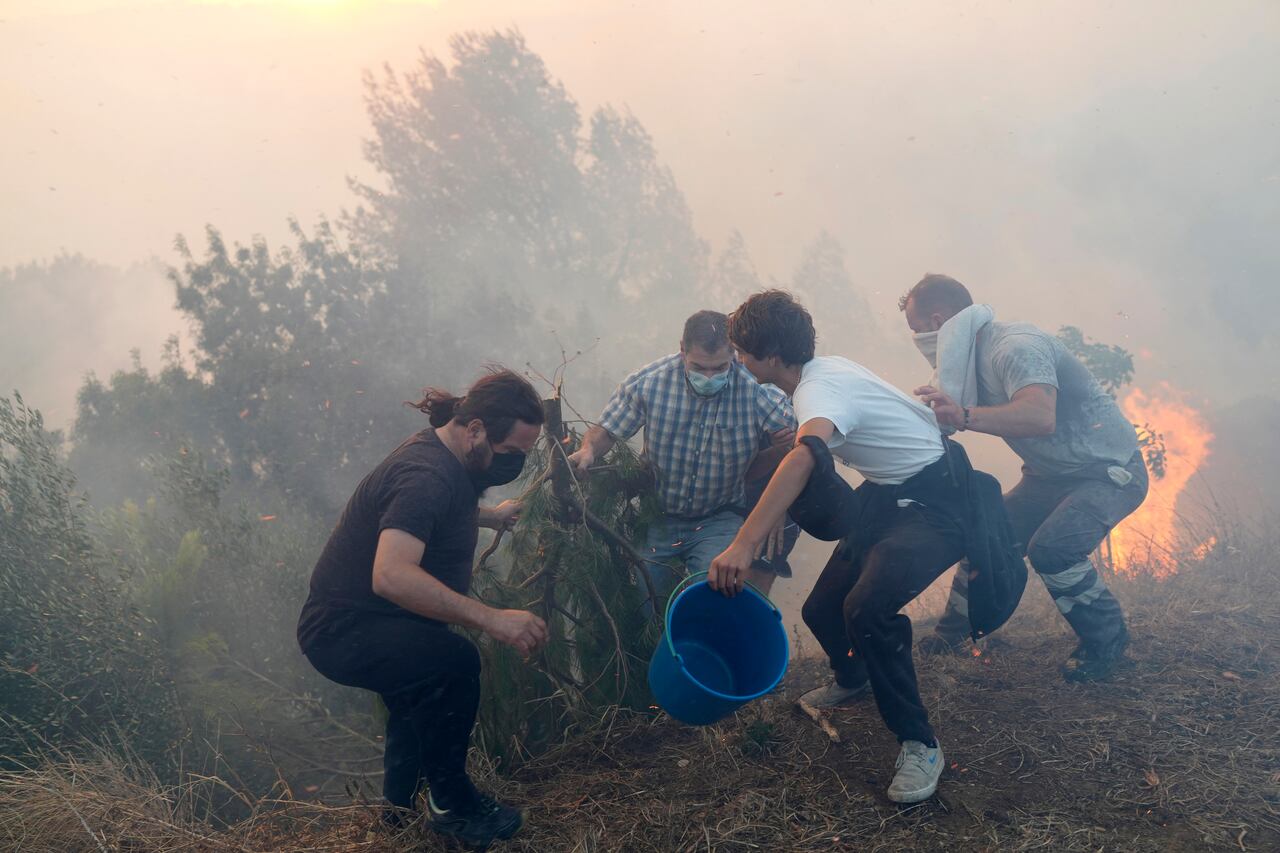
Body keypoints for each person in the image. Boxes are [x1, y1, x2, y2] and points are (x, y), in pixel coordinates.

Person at [709, 290, 1023, 805]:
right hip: (888, 492)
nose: (740, 362)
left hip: (938, 501)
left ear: (768, 355)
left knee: (867, 611)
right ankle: (853, 676)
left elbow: (804, 456)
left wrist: (743, 545)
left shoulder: (818, 391)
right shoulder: (822, 375)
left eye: (743, 353)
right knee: (821, 609)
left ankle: (920, 743)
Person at [296, 369, 549, 848]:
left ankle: (397, 822)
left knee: (417, 699)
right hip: (342, 630)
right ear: (475, 428)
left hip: (373, 623)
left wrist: (489, 515)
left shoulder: (449, 459)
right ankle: (452, 804)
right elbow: (391, 575)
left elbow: (431, 511)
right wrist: (491, 618)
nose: (512, 465)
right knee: (453, 663)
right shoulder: (426, 475)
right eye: (510, 453)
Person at [901, 273, 1148, 682]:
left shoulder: (1013, 347)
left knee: (1053, 550)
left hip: (1108, 473)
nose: (915, 340)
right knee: (986, 537)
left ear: (937, 321)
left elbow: (1039, 416)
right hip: (1048, 476)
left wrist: (962, 416)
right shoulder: (966, 363)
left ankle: (1107, 641)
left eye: (916, 330)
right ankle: (952, 635)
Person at [568, 310, 797, 599]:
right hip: (658, 516)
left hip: (719, 518)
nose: (710, 377)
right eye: (700, 368)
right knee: (645, 597)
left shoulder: (754, 388)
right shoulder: (649, 382)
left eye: (720, 368)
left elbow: (803, 442)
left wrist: (780, 492)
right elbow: (607, 431)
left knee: (715, 592)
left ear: (734, 355)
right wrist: (588, 450)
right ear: (682, 351)